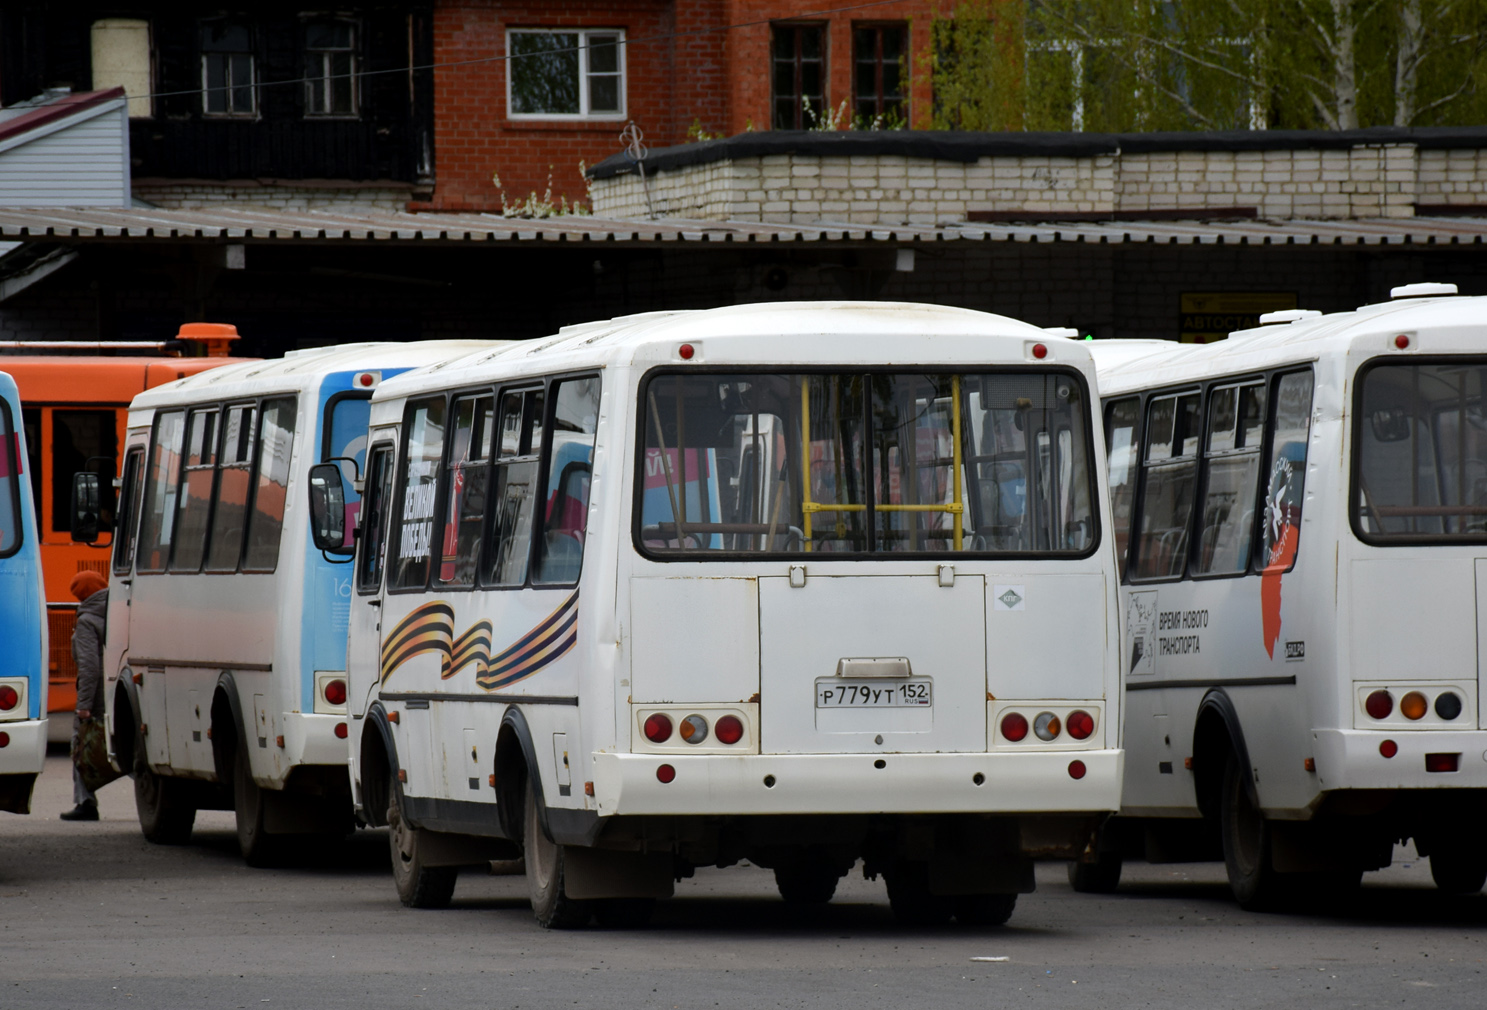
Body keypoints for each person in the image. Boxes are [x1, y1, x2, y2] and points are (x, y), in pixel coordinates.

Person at [60, 570, 108, 821]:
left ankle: (86, 802)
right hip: (118, 692)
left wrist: (84, 705)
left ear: (81, 595)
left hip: (96, 699)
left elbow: (90, 667)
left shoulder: (88, 620)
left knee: (80, 747)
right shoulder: (119, 611)